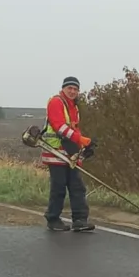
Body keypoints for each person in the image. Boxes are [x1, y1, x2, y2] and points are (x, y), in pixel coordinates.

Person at [40, 76, 96, 232]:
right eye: (69, 88)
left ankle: (80, 220)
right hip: (55, 152)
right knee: (59, 187)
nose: (72, 91)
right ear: (63, 88)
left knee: (77, 186)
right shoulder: (56, 102)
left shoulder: (74, 107)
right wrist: (82, 139)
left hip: (70, 152)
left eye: (75, 89)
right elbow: (59, 127)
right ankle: (53, 219)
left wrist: (82, 148)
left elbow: (73, 129)